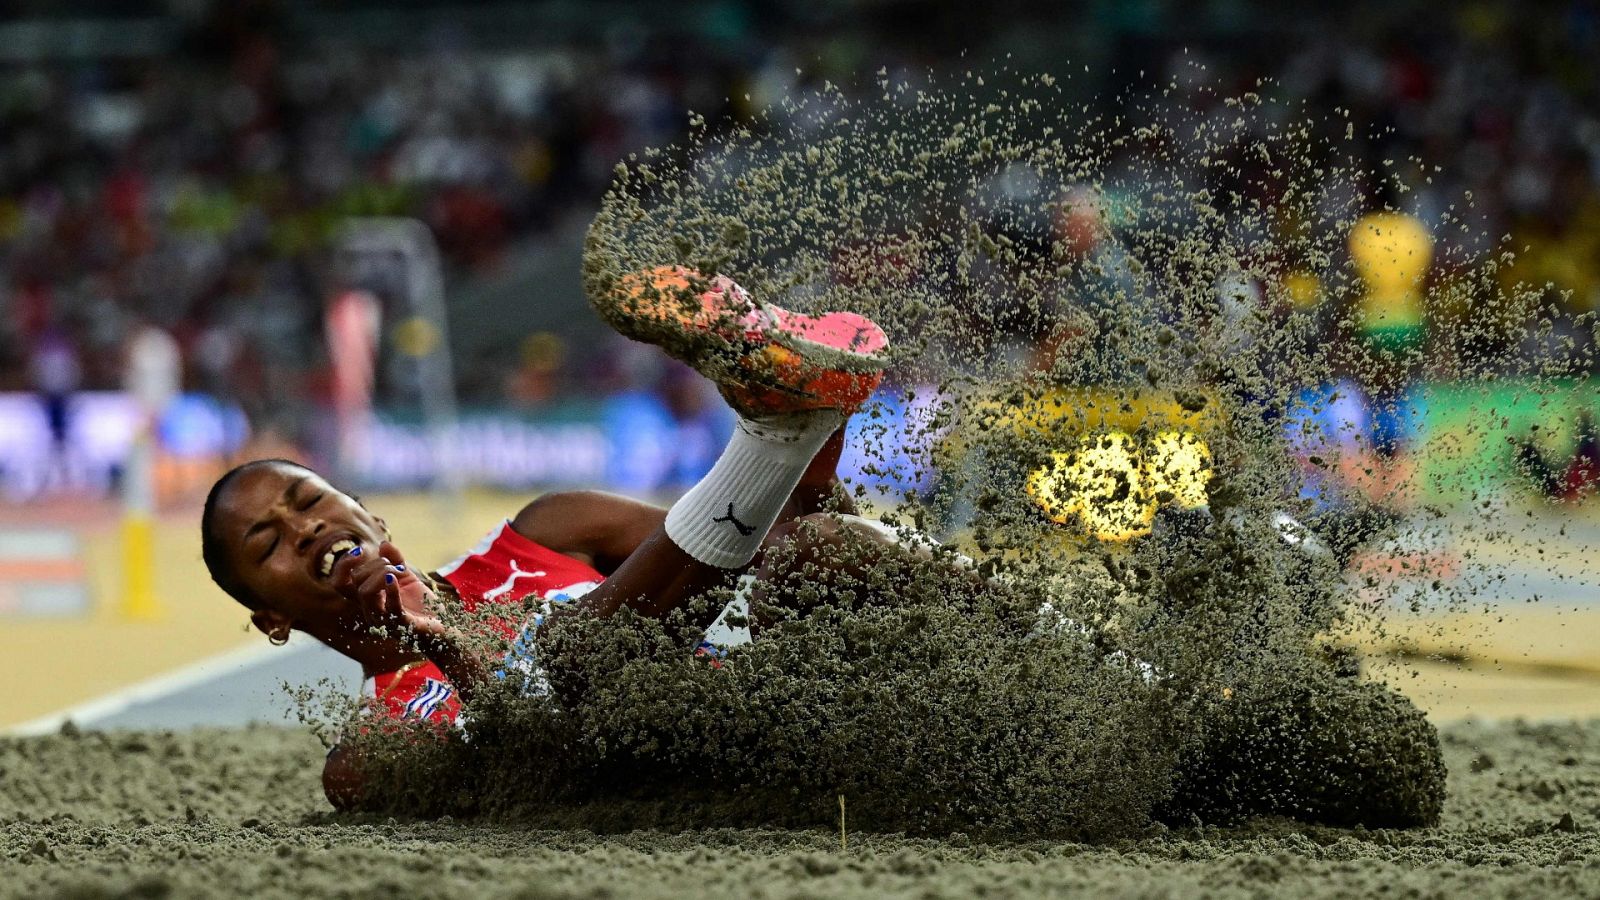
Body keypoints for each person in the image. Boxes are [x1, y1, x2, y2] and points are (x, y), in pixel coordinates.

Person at [202, 268, 907, 807]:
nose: (302, 529)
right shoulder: (364, 756)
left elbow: (754, 557)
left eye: (307, 502)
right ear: (274, 616)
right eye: (268, 544)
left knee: (819, 547)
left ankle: (1018, 644)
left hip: (806, 698)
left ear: (368, 515)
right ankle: (775, 435)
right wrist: (442, 645)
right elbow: (534, 775)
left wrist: (812, 481)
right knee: (566, 649)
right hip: (711, 770)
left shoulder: (552, 530)